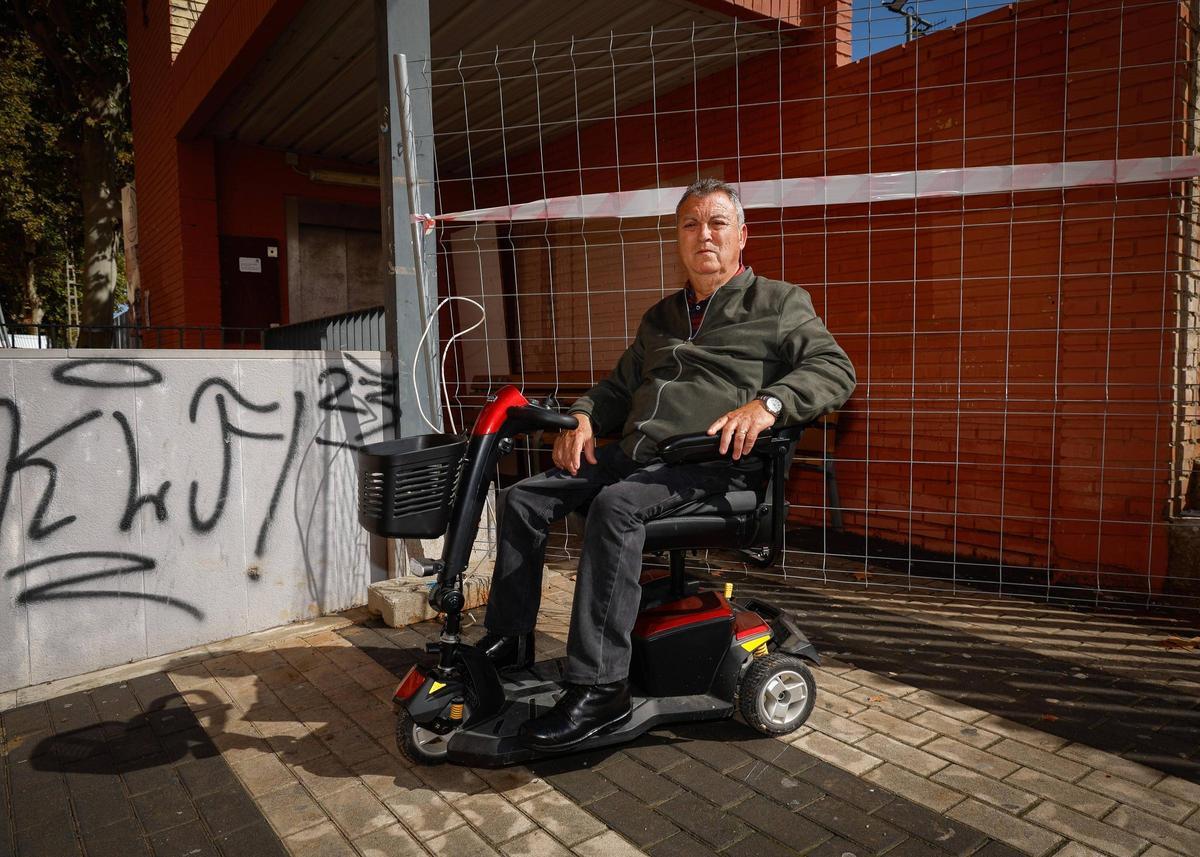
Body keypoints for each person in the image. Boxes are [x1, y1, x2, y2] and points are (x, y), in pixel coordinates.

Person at [478, 178, 856, 751]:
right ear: (677, 239)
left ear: (741, 236)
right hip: (638, 456)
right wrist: (582, 417)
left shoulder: (779, 304)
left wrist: (768, 404)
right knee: (524, 498)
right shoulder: (662, 317)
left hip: (710, 466)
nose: (703, 234)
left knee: (615, 508)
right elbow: (617, 388)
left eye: (717, 223)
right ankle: (509, 641)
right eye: (690, 224)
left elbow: (834, 370)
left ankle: (598, 689)